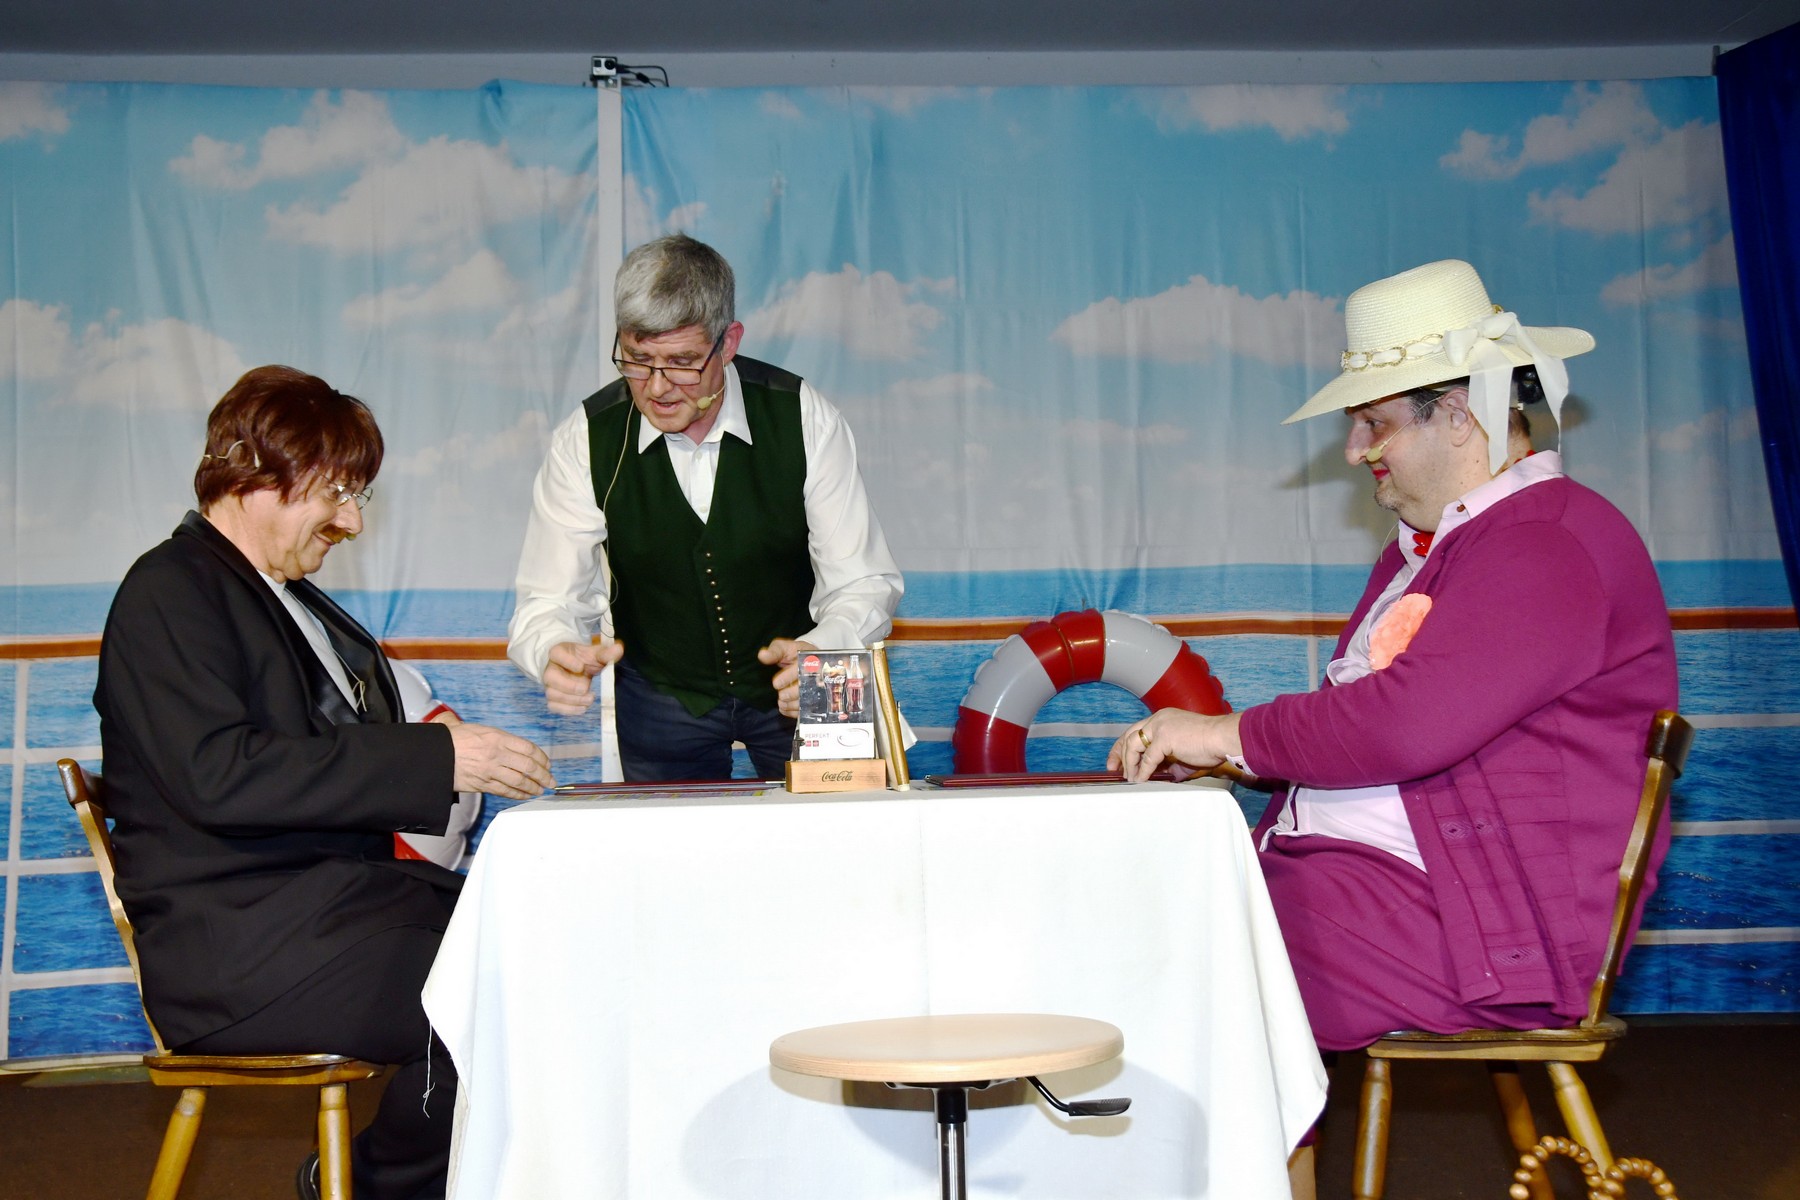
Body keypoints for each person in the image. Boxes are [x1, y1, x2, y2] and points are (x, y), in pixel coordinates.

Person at [1109, 259, 1678, 1053]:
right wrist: (1235, 760)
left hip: (1480, 933)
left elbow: (1405, 726)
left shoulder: (1545, 546)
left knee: (1154, 946)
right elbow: (1386, 734)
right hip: (1407, 897)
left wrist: (1217, 734)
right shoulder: (1448, 545)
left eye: (1374, 424)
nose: (1353, 450)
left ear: (1459, 415)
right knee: (1142, 910)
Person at [94, 365, 555, 1200]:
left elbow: (311, 758)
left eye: (358, 496)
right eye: (337, 492)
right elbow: (219, 775)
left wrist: (434, 749)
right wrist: (437, 758)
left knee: (540, 942)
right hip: (241, 950)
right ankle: (381, 1185)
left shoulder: (281, 596)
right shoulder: (167, 592)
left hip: (320, 915)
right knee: (498, 994)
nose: (352, 520)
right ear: (253, 472)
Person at [508, 233, 903, 781]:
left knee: (846, 829)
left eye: (683, 362)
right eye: (638, 360)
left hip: (817, 673)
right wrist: (552, 648)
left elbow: (865, 582)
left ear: (729, 342)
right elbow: (548, 596)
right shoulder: (586, 438)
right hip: (662, 696)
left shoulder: (804, 416)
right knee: (671, 838)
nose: (657, 387)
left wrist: (821, 653)